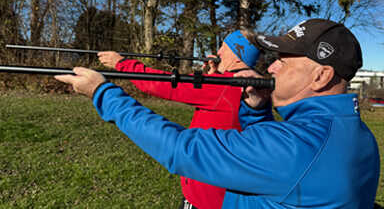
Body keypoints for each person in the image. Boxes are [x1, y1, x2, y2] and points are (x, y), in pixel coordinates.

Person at [55, 19, 380, 208]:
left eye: (284, 60)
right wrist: (256, 110)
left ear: (321, 77)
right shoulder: (357, 134)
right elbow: (280, 168)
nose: (272, 66)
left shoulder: (296, 148)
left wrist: (102, 92)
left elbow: (181, 149)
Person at [96, 29, 260, 209]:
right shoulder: (252, 91)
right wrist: (215, 75)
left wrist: (122, 63)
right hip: (223, 193)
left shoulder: (224, 86)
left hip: (206, 197)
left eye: (224, 47)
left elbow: (164, 84)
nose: (219, 52)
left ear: (237, 57)